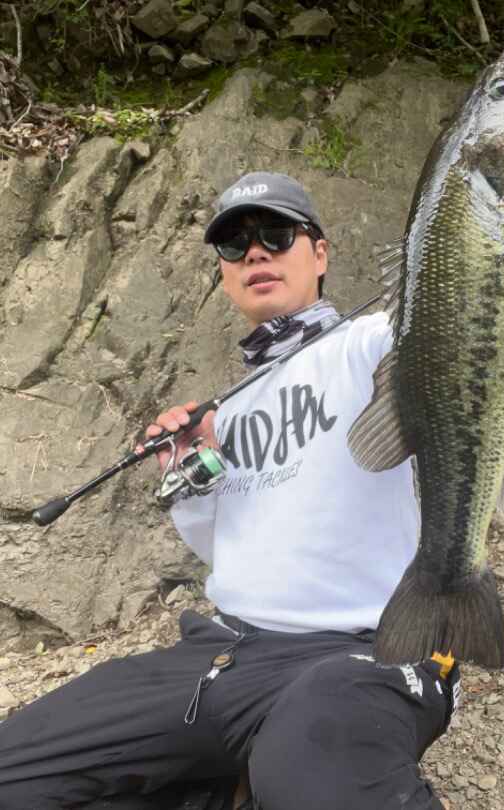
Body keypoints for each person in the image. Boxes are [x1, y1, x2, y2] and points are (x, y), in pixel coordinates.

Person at [0, 172, 459, 810]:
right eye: (234, 245)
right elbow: (226, 545)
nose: (256, 253)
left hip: (368, 650)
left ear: (319, 254)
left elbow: (450, 322)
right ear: (223, 272)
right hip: (223, 654)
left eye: (277, 234)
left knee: (316, 768)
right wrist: (192, 472)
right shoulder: (231, 408)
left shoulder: (375, 343)